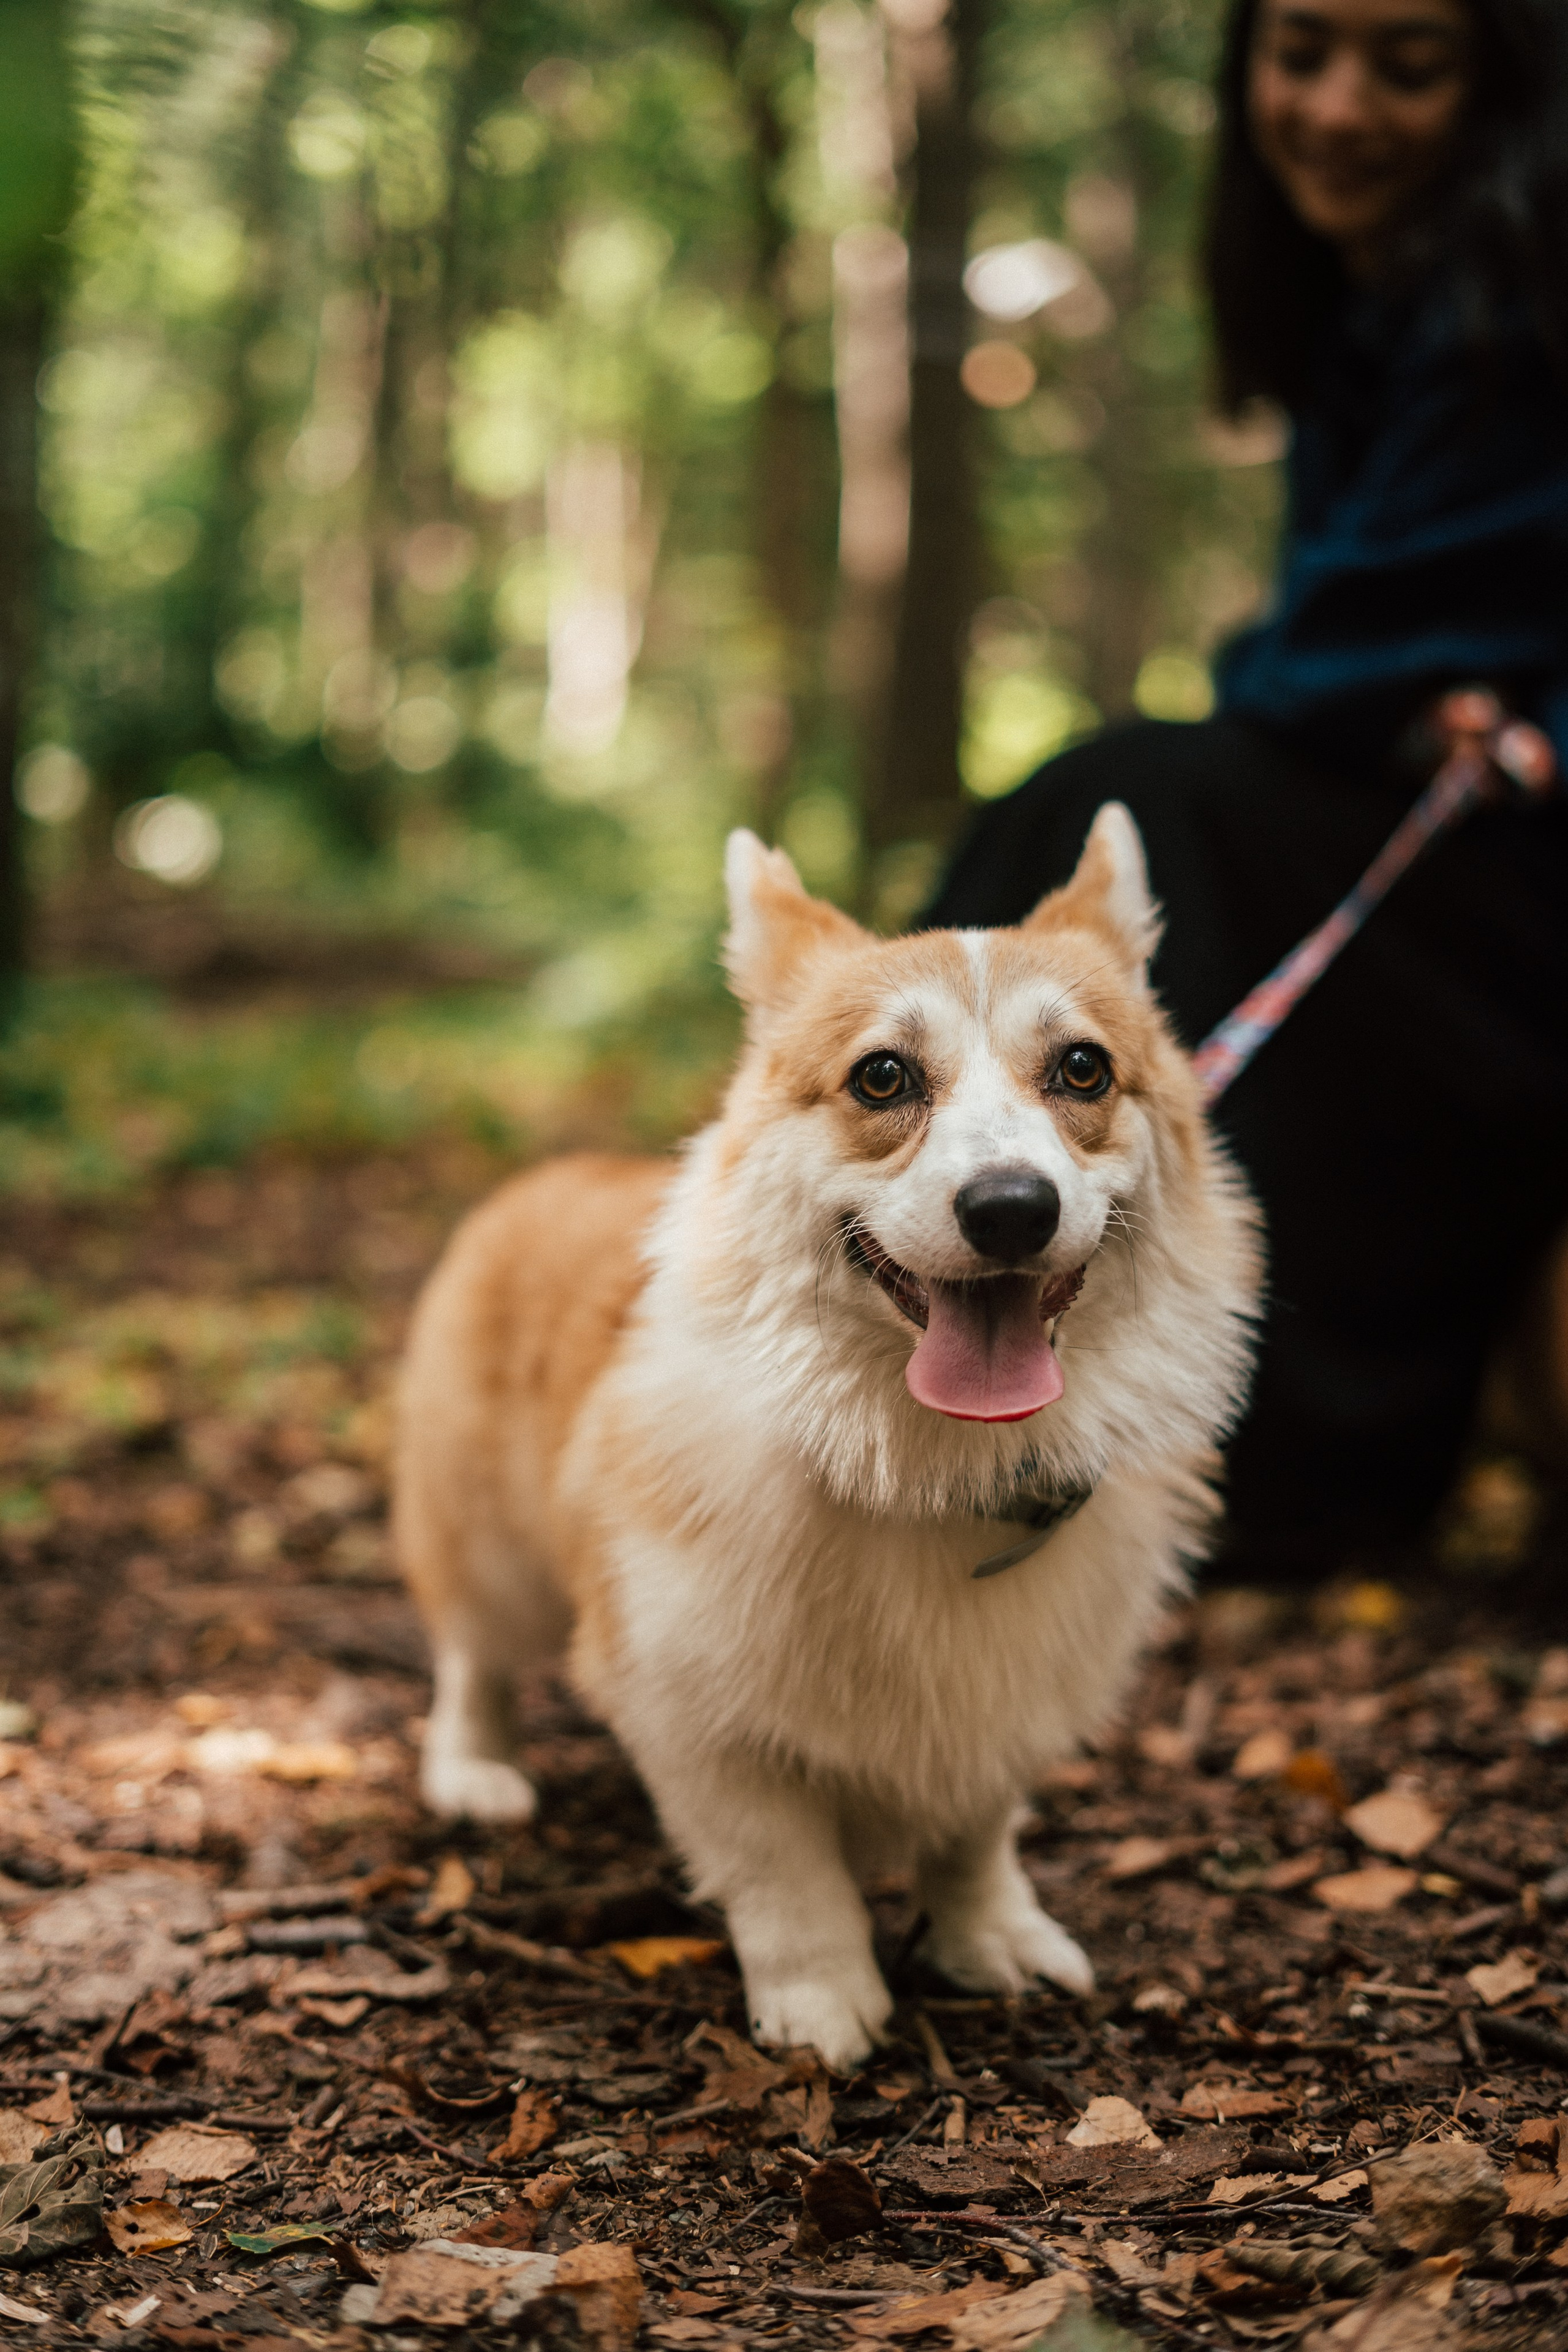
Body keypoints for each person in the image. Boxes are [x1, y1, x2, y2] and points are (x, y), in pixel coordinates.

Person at [924, 0, 1568, 1575]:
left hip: (1532, 906)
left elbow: (1332, 654)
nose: (1337, 107)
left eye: (1406, 65)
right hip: (1450, 834)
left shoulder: (1521, 295)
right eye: (1301, 53)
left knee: (1146, 802)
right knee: (1124, 809)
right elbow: (1364, 650)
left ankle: (1248, 1467)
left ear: (1495, 89)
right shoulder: (1364, 304)